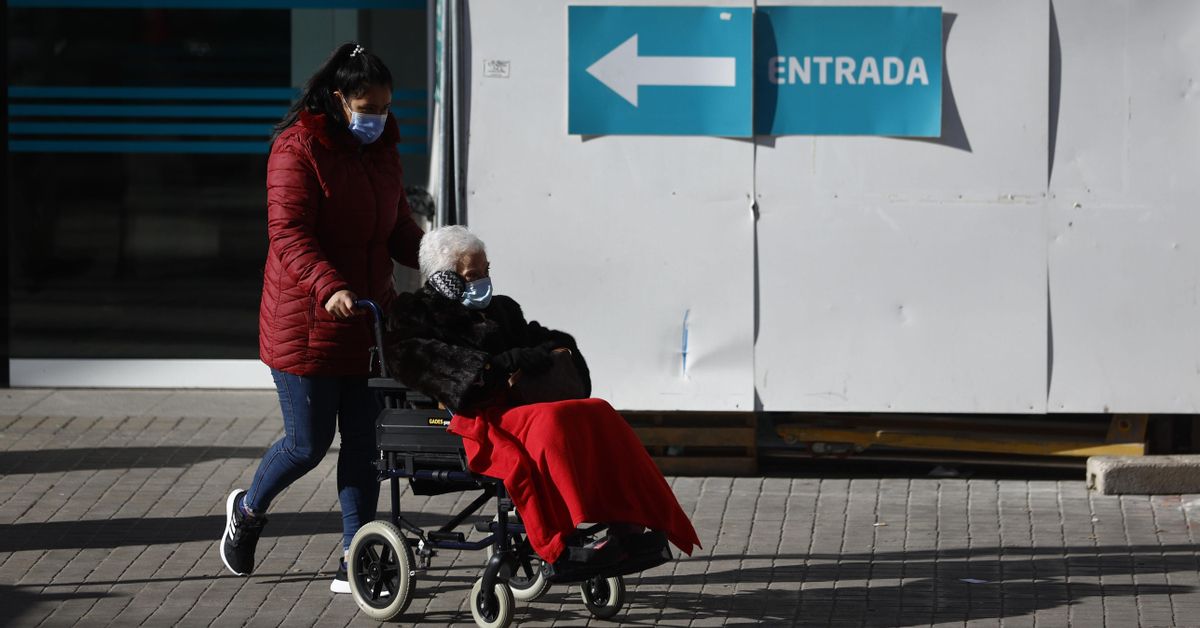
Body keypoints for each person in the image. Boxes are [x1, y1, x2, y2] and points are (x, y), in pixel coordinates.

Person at [219, 42, 424, 594]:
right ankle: (250, 508)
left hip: (368, 320)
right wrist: (329, 285)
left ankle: (355, 556)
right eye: (368, 106)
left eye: (385, 107)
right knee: (306, 444)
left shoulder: (384, 150)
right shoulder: (297, 148)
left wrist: (441, 258)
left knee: (364, 443)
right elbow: (288, 233)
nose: (378, 118)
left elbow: (398, 227)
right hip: (306, 319)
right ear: (338, 99)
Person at [386, 226, 700, 567]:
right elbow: (421, 362)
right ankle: (560, 540)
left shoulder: (501, 309)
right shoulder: (416, 315)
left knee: (597, 411)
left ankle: (629, 522)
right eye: (473, 275)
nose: (483, 282)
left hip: (518, 404)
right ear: (445, 278)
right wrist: (500, 364)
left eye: (486, 271)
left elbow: (539, 339)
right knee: (549, 421)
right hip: (474, 414)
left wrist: (546, 353)